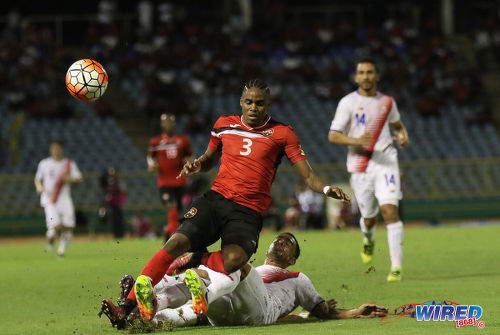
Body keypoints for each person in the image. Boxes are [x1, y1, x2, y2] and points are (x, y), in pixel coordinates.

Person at [120, 78, 351, 321]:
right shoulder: (223, 125)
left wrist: (325, 189)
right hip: (216, 199)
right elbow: (208, 159)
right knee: (176, 242)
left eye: (260, 103)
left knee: (235, 259)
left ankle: (198, 259)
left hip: (248, 210)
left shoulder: (283, 133)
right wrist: (197, 165)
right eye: (249, 102)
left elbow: (308, 176)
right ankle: (129, 303)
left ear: (268, 105)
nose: (254, 107)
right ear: (241, 103)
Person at [99, 233, 387, 329]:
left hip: (260, 309)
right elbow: (298, 317)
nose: (281, 242)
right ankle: (140, 316)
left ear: (293, 259)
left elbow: (322, 311)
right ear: (268, 247)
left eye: (288, 243)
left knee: (235, 267)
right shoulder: (258, 270)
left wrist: (353, 312)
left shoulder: (299, 278)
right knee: (215, 280)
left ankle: (157, 284)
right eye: (279, 239)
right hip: (227, 312)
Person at [328, 57, 410, 282]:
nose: (366, 76)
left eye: (370, 72)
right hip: (360, 167)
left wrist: (403, 137)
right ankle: (368, 239)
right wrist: (356, 140)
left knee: (390, 213)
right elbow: (333, 135)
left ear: (377, 76)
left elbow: (397, 126)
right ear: (356, 77)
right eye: (362, 72)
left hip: (386, 163)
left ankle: (396, 267)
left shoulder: (388, 102)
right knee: (369, 217)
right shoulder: (347, 103)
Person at [147, 113, 193, 242]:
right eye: (165, 122)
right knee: (171, 206)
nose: (167, 125)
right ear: (161, 125)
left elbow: (190, 156)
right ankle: (174, 239)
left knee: (177, 212)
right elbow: (150, 157)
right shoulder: (155, 142)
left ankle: (168, 230)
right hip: (164, 182)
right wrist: (152, 166)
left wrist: (188, 162)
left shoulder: (183, 140)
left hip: (180, 181)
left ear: (174, 124)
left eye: (170, 122)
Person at [34, 141, 82, 257]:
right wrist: (39, 187)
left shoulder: (68, 164)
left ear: (61, 149)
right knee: (56, 226)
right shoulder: (44, 164)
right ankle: (51, 235)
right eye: (53, 148)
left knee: (68, 227)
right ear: (51, 150)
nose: (55, 150)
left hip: (64, 199)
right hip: (50, 200)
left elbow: (79, 179)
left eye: (57, 148)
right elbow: (37, 178)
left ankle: (61, 251)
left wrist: (68, 179)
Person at [99, 166, 127, 238]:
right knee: (114, 219)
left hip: (118, 202)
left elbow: (122, 190)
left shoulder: (118, 181)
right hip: (112, 203)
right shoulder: (110, 181)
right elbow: (105, 188)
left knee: (119, 219)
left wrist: (114, 189)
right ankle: (116, 234)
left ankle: (120, 234)